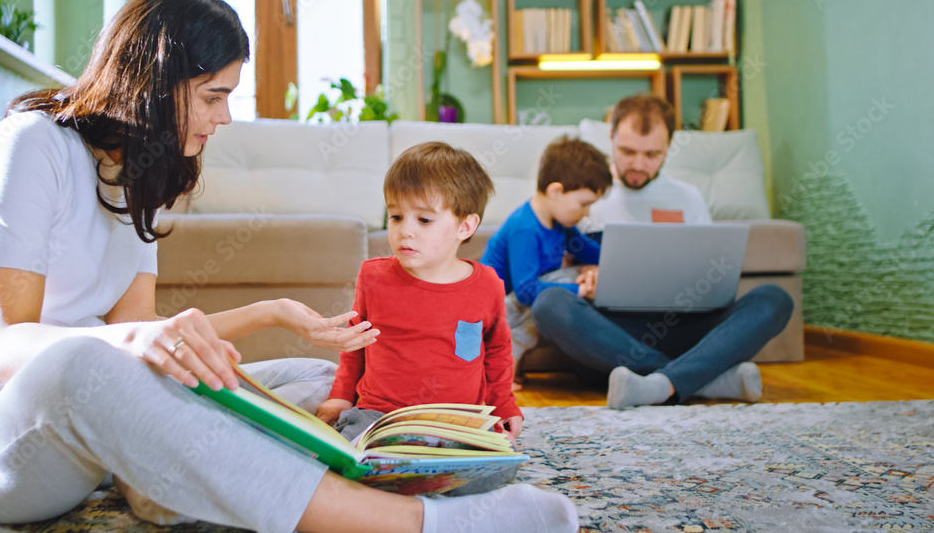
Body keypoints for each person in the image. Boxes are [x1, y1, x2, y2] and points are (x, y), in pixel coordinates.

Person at [0, 0, 578, 533]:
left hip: (92, 429)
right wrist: (136, 342)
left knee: (318, 385)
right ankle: (416, 524)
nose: (227, 117)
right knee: (86, 363)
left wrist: (273, 312)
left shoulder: (136, 177)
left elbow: (155, 345)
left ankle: (164, 487)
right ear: (154, 82)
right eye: (213, 95)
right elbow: (8, 349)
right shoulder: (31, 148)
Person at [531, 94, 795, 410]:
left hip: (686, 326)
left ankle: (654, 382)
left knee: (774, 300)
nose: (638, 164)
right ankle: (703, 379)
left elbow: (713, 276)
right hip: (612, 333)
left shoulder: (688, 198)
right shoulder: (585, 196)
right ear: (611, 137)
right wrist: (579, 273)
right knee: (548, 303)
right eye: (628, 151)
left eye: (652, 154)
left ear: (670, 145)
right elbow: (548, 270)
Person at [316, 142, 523, 447]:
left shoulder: (487, 284)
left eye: (424, 220)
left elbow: (496, 352)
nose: (405, 231)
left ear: (465, 226)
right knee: (346, 457)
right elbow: (353, 347)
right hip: (379, 417)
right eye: (396, 217)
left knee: (494, 469)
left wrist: (503, 403)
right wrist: (340, 397)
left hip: (458, 420)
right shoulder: (373, 277)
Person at [479, 136, 612, 389]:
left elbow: (591, 251)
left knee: (573, 274)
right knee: (568, 279)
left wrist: (615, 260)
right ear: (556, 191)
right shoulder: (525, 227)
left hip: (518, 304)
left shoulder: (561, 223)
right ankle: (505, 362)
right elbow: (526, 291)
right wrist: (579, 289)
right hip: (495, 310)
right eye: (584, 204)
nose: (587, 213)